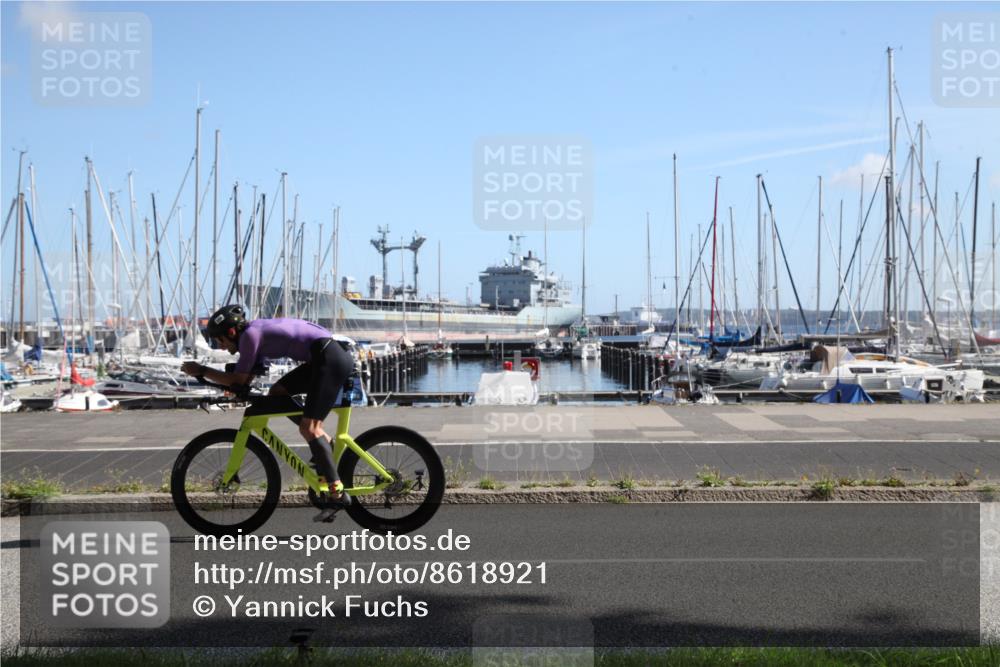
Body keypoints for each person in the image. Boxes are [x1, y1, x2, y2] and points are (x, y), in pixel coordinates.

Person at [180, 305, 355, 518]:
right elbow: (246, 378)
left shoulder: (250, 336)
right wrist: (238, 390)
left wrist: (201, 370)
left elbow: (238, 380)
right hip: (324, 355)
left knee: (309, 428)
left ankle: (337, 494)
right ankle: (323, 442)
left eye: (220, 341)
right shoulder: (253, 334)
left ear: (231, 332)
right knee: (277, 393)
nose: (222, 347)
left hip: (328, 357)